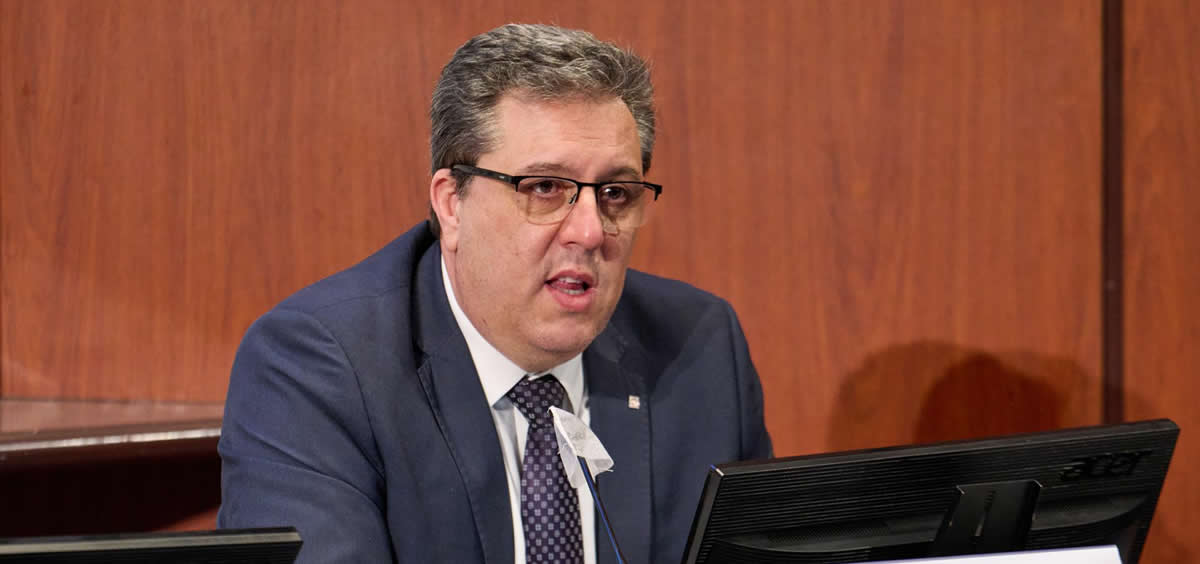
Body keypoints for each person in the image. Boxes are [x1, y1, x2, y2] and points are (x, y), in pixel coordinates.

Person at [218, 23, 772, 563]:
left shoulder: (698, 348)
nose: (590, 231)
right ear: (451, 204)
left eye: (615, 193)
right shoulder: (319, 368)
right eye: (545, 187)